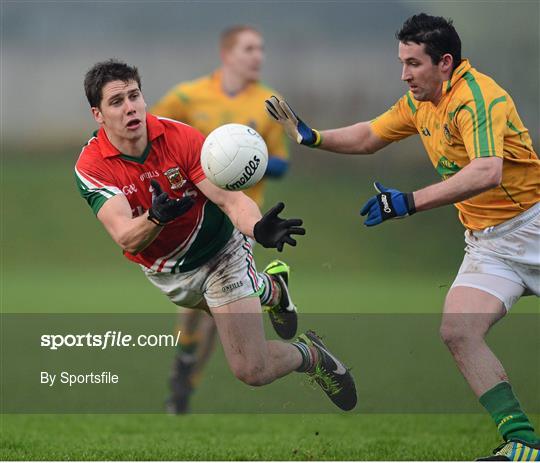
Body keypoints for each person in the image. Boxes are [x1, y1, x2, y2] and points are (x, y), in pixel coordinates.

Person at [266, 13, 540, 461]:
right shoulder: (421, 103)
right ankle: (523, 443)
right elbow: (370, 135)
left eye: (413, 63)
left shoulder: (478, 98)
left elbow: (487, 171)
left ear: (445, 62)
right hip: (490, 245)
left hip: (533, 225)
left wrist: (408, 202)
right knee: (458, 331)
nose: (405, 74)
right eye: (402, 62)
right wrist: (311, 135)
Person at [74, 59, 357, 413]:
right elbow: (126, 237)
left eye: (134, 96)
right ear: (98, 115)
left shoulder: (180, 138)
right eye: (116, 101)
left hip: (221, 254)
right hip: (169, 273)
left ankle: (311, 355)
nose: (130, 107)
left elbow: (231, 199)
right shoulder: (92, 166)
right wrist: (156, 217)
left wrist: (257, 228)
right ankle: (273, 289)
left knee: (251, 369)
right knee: (235, 327)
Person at [151, 25, 294, 413]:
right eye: (249, 48)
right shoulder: (187, 95)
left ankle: (184, 383)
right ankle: (187, 362)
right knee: (198, 308)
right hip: (193, 213)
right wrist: (206, 151)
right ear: (227, 53)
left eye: (261, 48)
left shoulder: (270, 101)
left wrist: (244, 153)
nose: (257, 56)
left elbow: (281, 164)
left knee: (218, 311)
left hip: (240, 215)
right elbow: (152, 134)